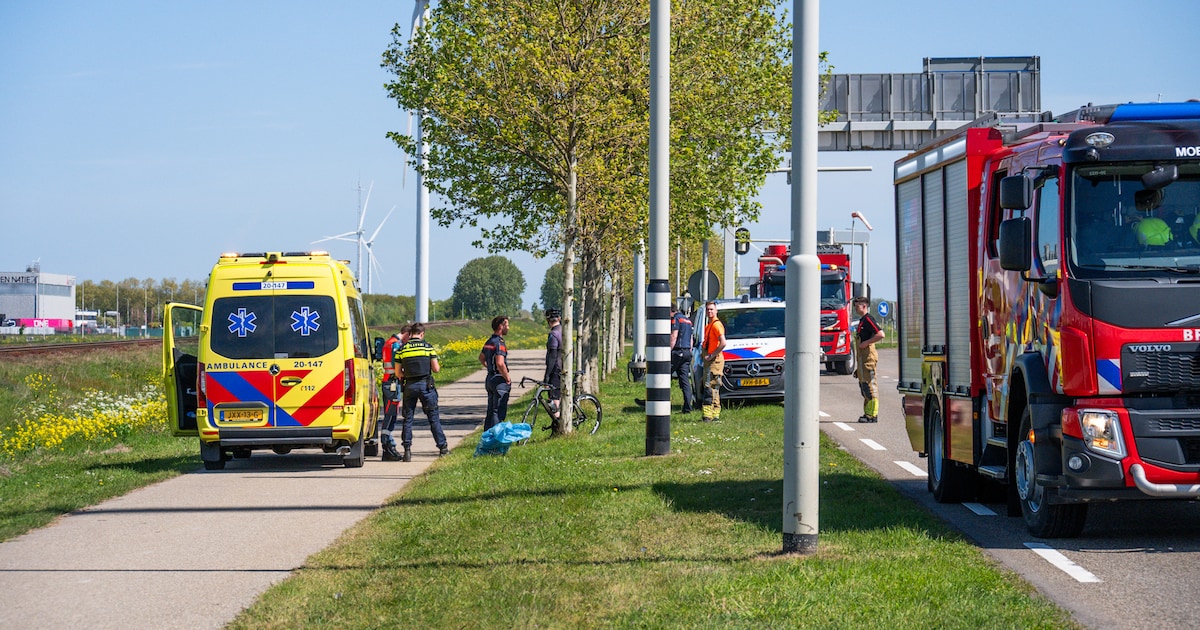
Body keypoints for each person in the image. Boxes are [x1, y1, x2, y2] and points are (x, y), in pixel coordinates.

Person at [396, 322, 449, 460]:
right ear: (422, 333)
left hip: (410, 386)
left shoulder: (402, 349)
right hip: (426, 386)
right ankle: (442, 448)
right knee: (433, 417)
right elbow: (436, 369)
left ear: (411, 333)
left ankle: (407, 451)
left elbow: (398, 373)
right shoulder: (428, 347)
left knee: (408, 419)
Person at [379, 324, 410, 461]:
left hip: (388, 381)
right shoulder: (396, 345)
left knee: (389, 413)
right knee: (391, 415)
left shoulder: (388, 342)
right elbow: (397, 365)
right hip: (392, 383)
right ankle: (387, 444)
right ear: (407, 334)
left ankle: (388, 444)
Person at [853, 296, 885, 423]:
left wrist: (866, 343)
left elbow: (881, 334)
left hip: (868, 357)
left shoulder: (868, 319)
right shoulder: (862, 320)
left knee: (870, 386)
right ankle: (867, 413)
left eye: (857, 306)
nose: (855, 309)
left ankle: (872, 415)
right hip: (862, 359)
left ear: (864, 306)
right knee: (864, 386)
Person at [478, 315, 512, 431]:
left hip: (490, 378)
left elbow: (481, 358)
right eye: (507, 325)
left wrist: (490, 368)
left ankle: (487, 437)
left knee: (491, 411)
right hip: (499, 380)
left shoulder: (489, 341)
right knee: (498, 412)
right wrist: (507, 377)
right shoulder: (499, 343)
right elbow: (500, 363)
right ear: (501, 326)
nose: (508, 327)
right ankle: (496, 440)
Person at [700, 301, 726, 422]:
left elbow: (723, 342)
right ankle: (712, 415)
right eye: (708, 310)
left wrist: (712, 355)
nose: (709, 312)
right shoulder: (708, 326)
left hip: (714, 361)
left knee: (710, 387)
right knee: (711, 386)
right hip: (709, 361)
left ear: (716, 311)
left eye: (711, 309)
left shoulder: (716, 325)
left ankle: (710, 416)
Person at [669, 304, 694, 413]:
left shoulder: (676, 319)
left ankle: (652, 401)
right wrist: (689, 351)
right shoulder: (688, 320)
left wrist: (668, 351)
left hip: (678, 351)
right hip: (687, 352)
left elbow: (674, 336)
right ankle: (687, 407)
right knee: (685, 381)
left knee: (661, 374)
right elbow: (691, 339)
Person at [543, 309, 564, 422]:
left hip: (555, 369)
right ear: (559, 319)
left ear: (548, 320)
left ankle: (557, 426)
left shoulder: (553, 335)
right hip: (563, 367)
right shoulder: (564, 332)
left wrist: (547, 376)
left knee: (554, 400)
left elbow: (552, 357)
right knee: (560, 397)